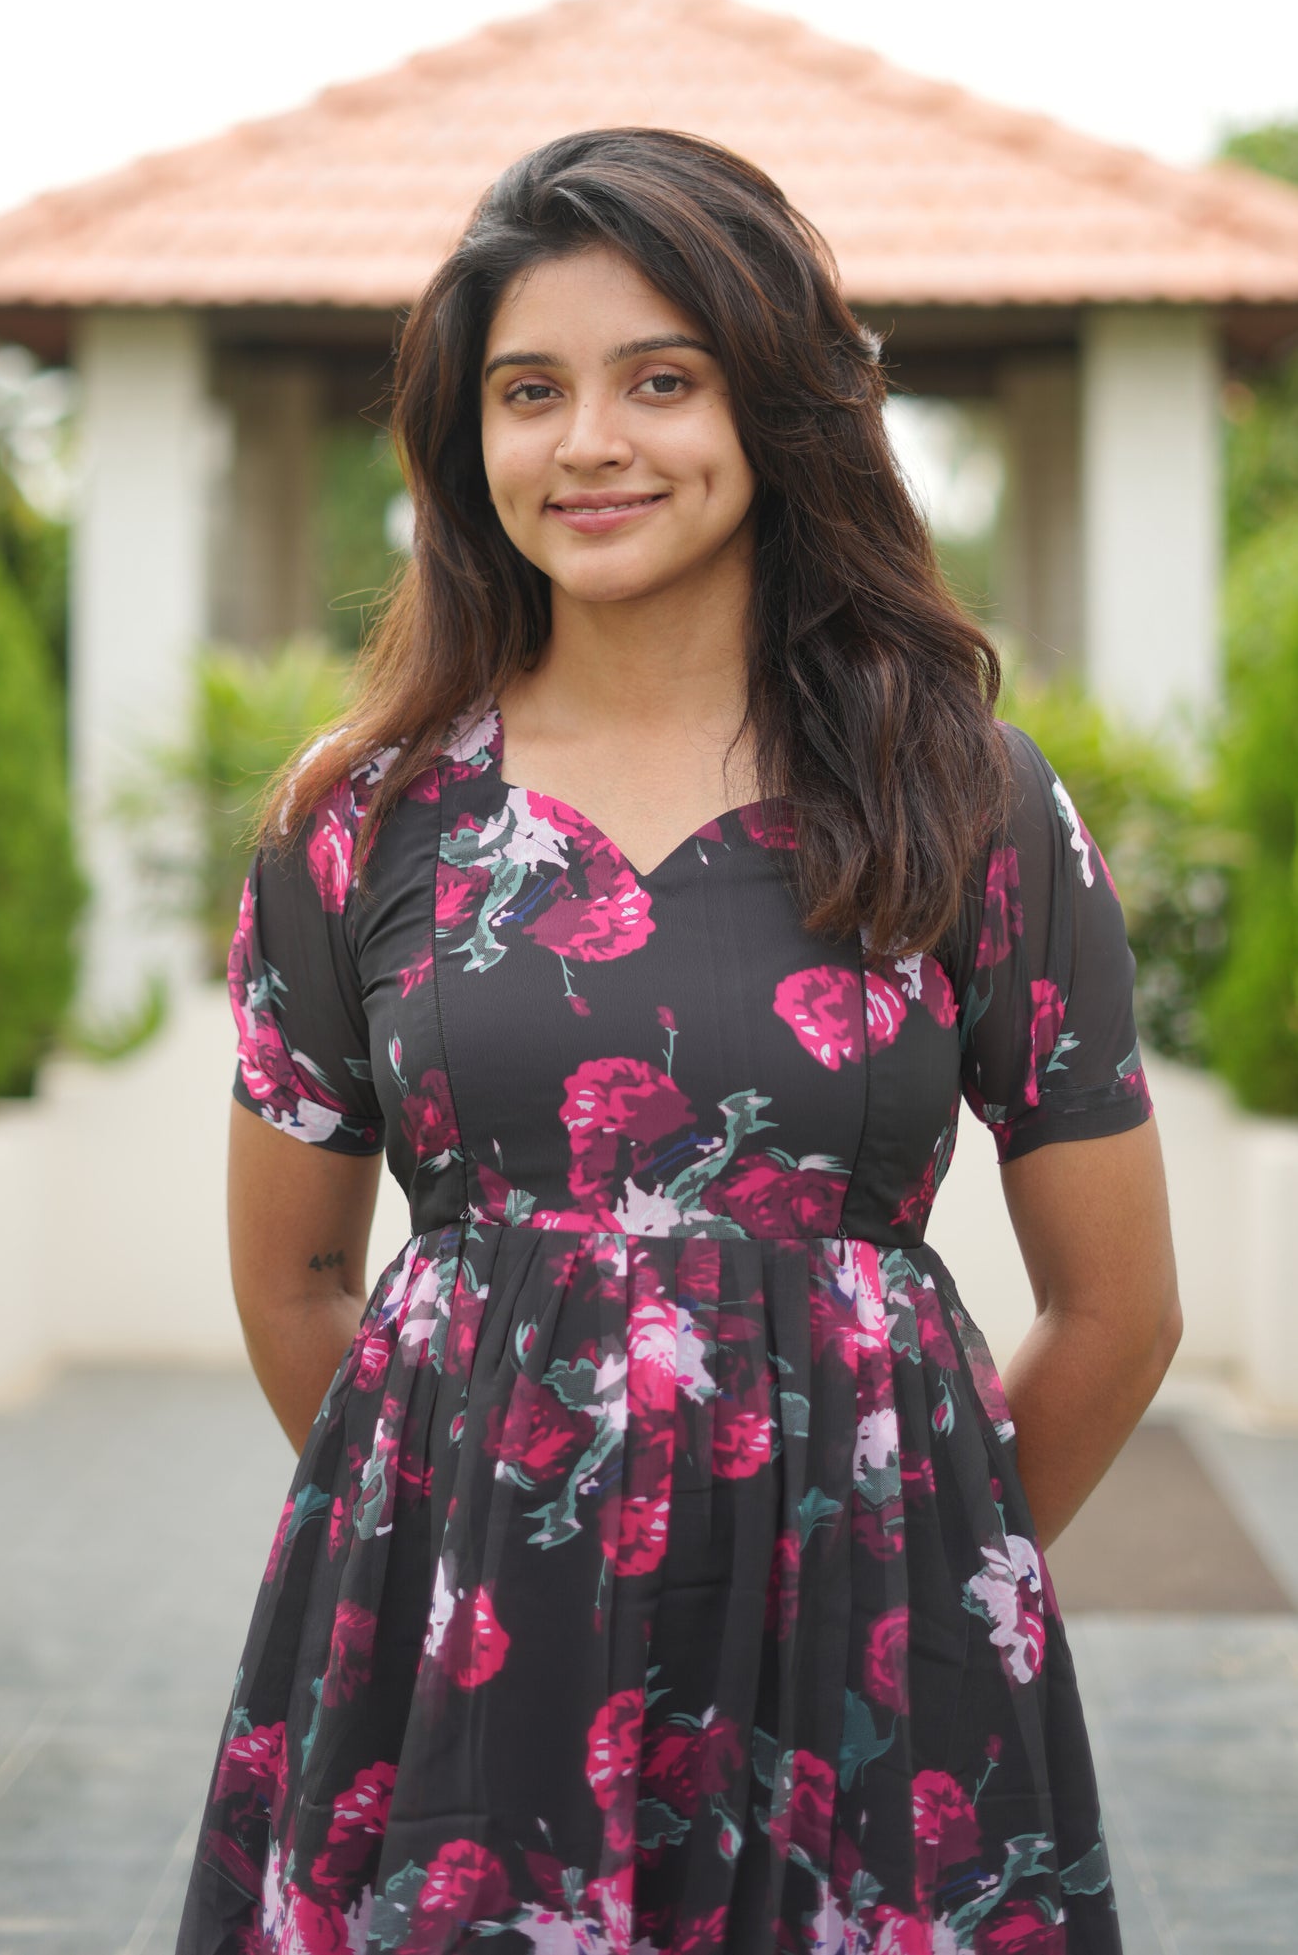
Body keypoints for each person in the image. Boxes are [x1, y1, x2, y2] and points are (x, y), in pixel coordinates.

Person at [176, 128, 1181, 1955]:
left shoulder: (960, 795)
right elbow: (295, 1277)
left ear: (772, 408)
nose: (590, 443)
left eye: (662, 378)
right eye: (528, 389)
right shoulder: (359, 815)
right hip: (465, 1672)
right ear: (464, 440)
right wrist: (469, 1539)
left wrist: (895, 1559)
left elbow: (1117, 1309)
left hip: (873, 1675)